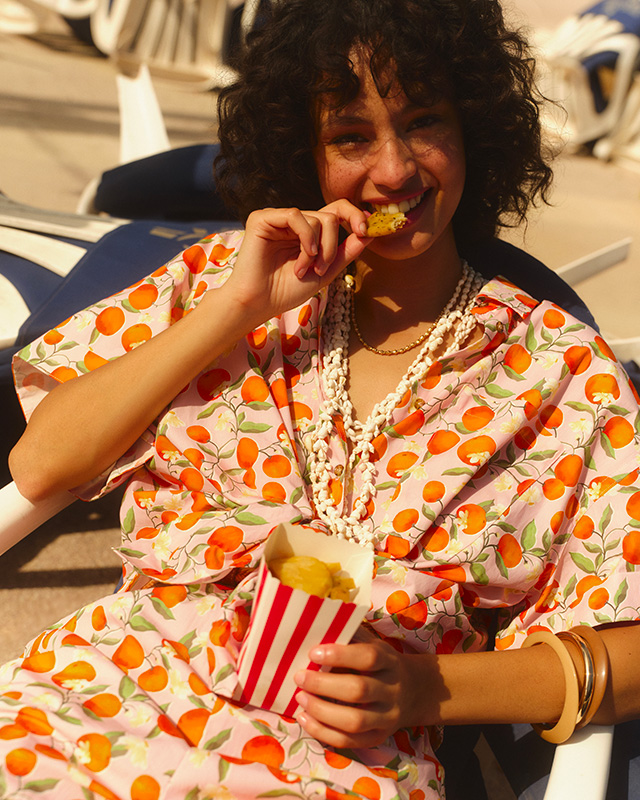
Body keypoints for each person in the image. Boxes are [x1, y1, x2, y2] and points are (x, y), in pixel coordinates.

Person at [2, 1, 640, 798]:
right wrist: (238, 308)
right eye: (350, 137)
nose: (395, 170)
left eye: (424, 122)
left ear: (475, 127)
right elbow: (39, 464)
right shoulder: (225, 282)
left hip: (340, 763)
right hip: (105, 699)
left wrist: (428, 689)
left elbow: (630, 649)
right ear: (305, 153)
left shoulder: (558, 372)